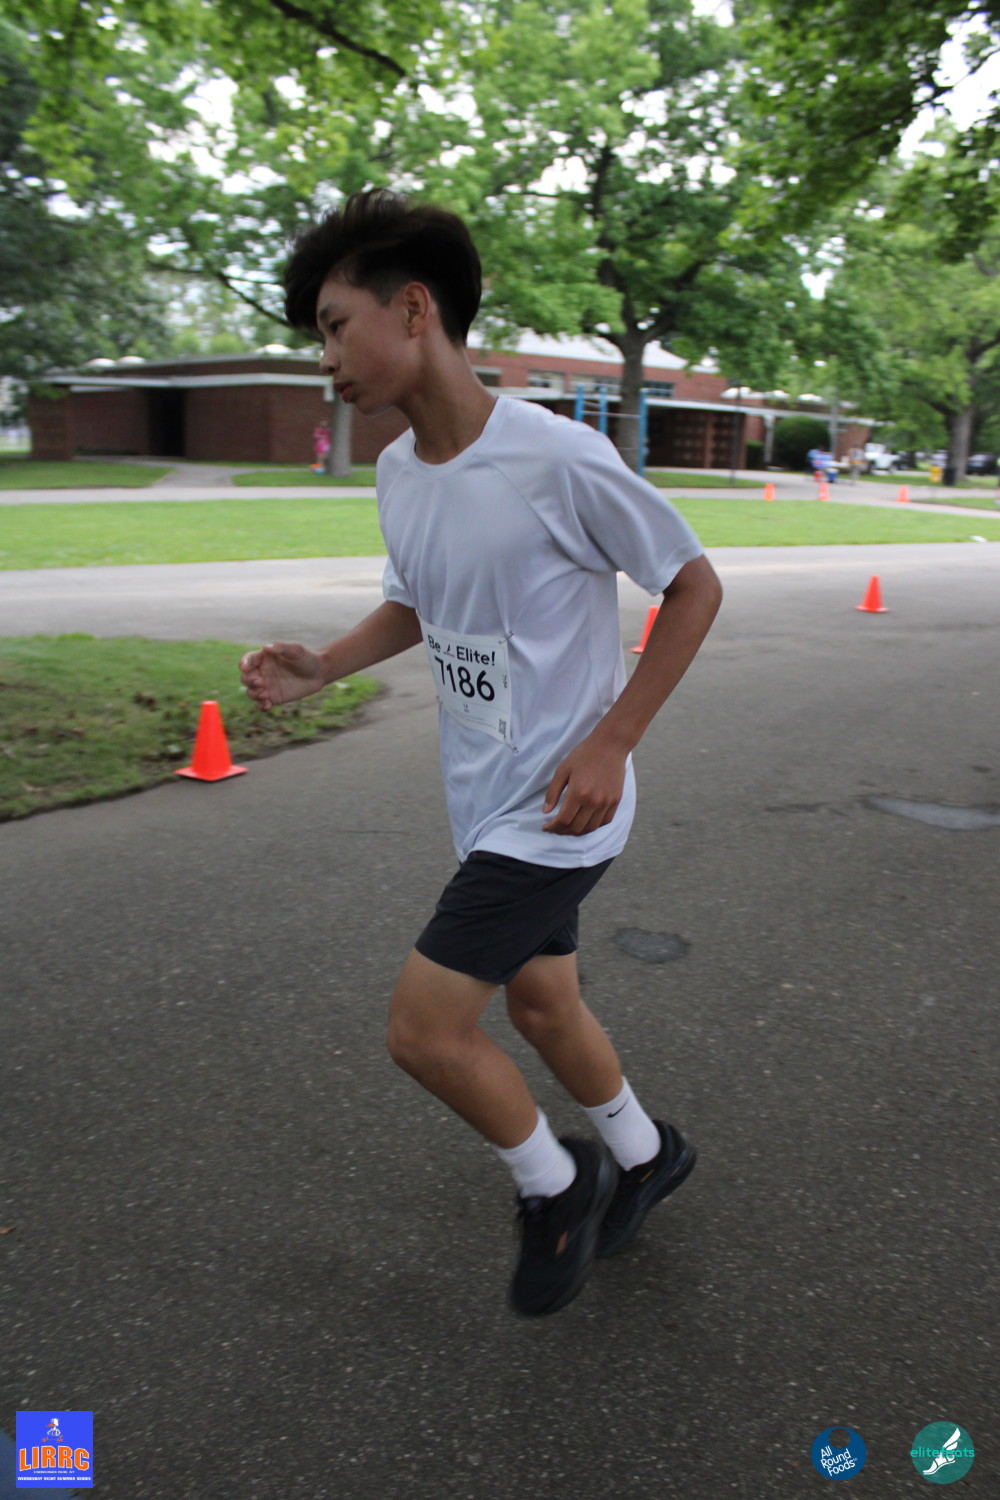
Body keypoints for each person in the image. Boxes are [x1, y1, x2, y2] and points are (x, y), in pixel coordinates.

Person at [239, 189, 723, 1317]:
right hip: (482, 797)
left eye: (334, 325)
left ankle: (555, 1184)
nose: (325, 358)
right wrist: (324, 666)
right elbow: (417, 603)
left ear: (413, 310)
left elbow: (693, 584)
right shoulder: (399, 471)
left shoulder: (557, 457)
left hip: (560, 807)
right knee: (544, 1007)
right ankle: (646, 1153)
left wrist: (613, 739)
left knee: (424, 1031)